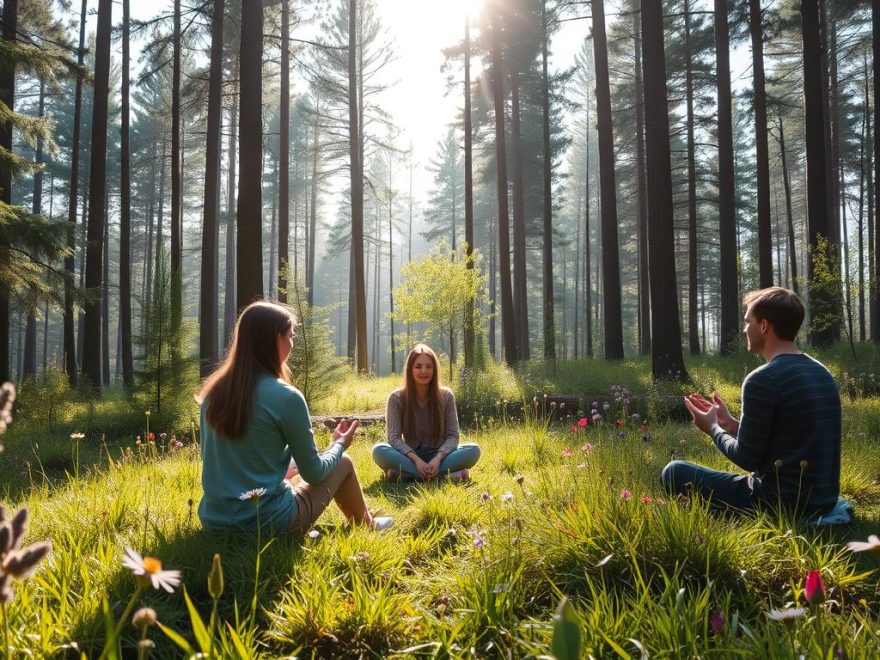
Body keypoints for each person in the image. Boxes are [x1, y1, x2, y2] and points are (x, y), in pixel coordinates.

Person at [197, 300, 393, 533]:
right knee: (343, 463)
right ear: (274, 340)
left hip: (214, 522)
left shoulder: (212, 393)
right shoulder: (287, 397)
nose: (291, 343)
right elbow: (314, 472)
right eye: (290, 336)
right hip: (267, 524)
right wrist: (339, 444)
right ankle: (367, 525)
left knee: (293, 468)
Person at [663, 287, 841, 517]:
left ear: (764, 326)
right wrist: (731, 425)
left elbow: (747, 458)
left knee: (674, 471)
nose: (745, 329)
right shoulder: (821, 372)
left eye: (748, 322)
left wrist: (713, 429)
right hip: (824, 500)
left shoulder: (762, 379)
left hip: (778, 502)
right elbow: (787, 440)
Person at [372, 343, 480, 481]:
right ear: (410, 369)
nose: (424, 371)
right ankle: (444, 477)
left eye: (429, 366)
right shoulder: (396, 398)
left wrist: (437, 459)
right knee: (379, 451)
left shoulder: (446, 396)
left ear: (434, 369)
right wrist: (417, 461)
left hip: (441, 457)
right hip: (409, 457)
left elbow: (453, 436)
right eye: (418, 366)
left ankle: (405, 475)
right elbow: (394, 438)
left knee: (473, 450)